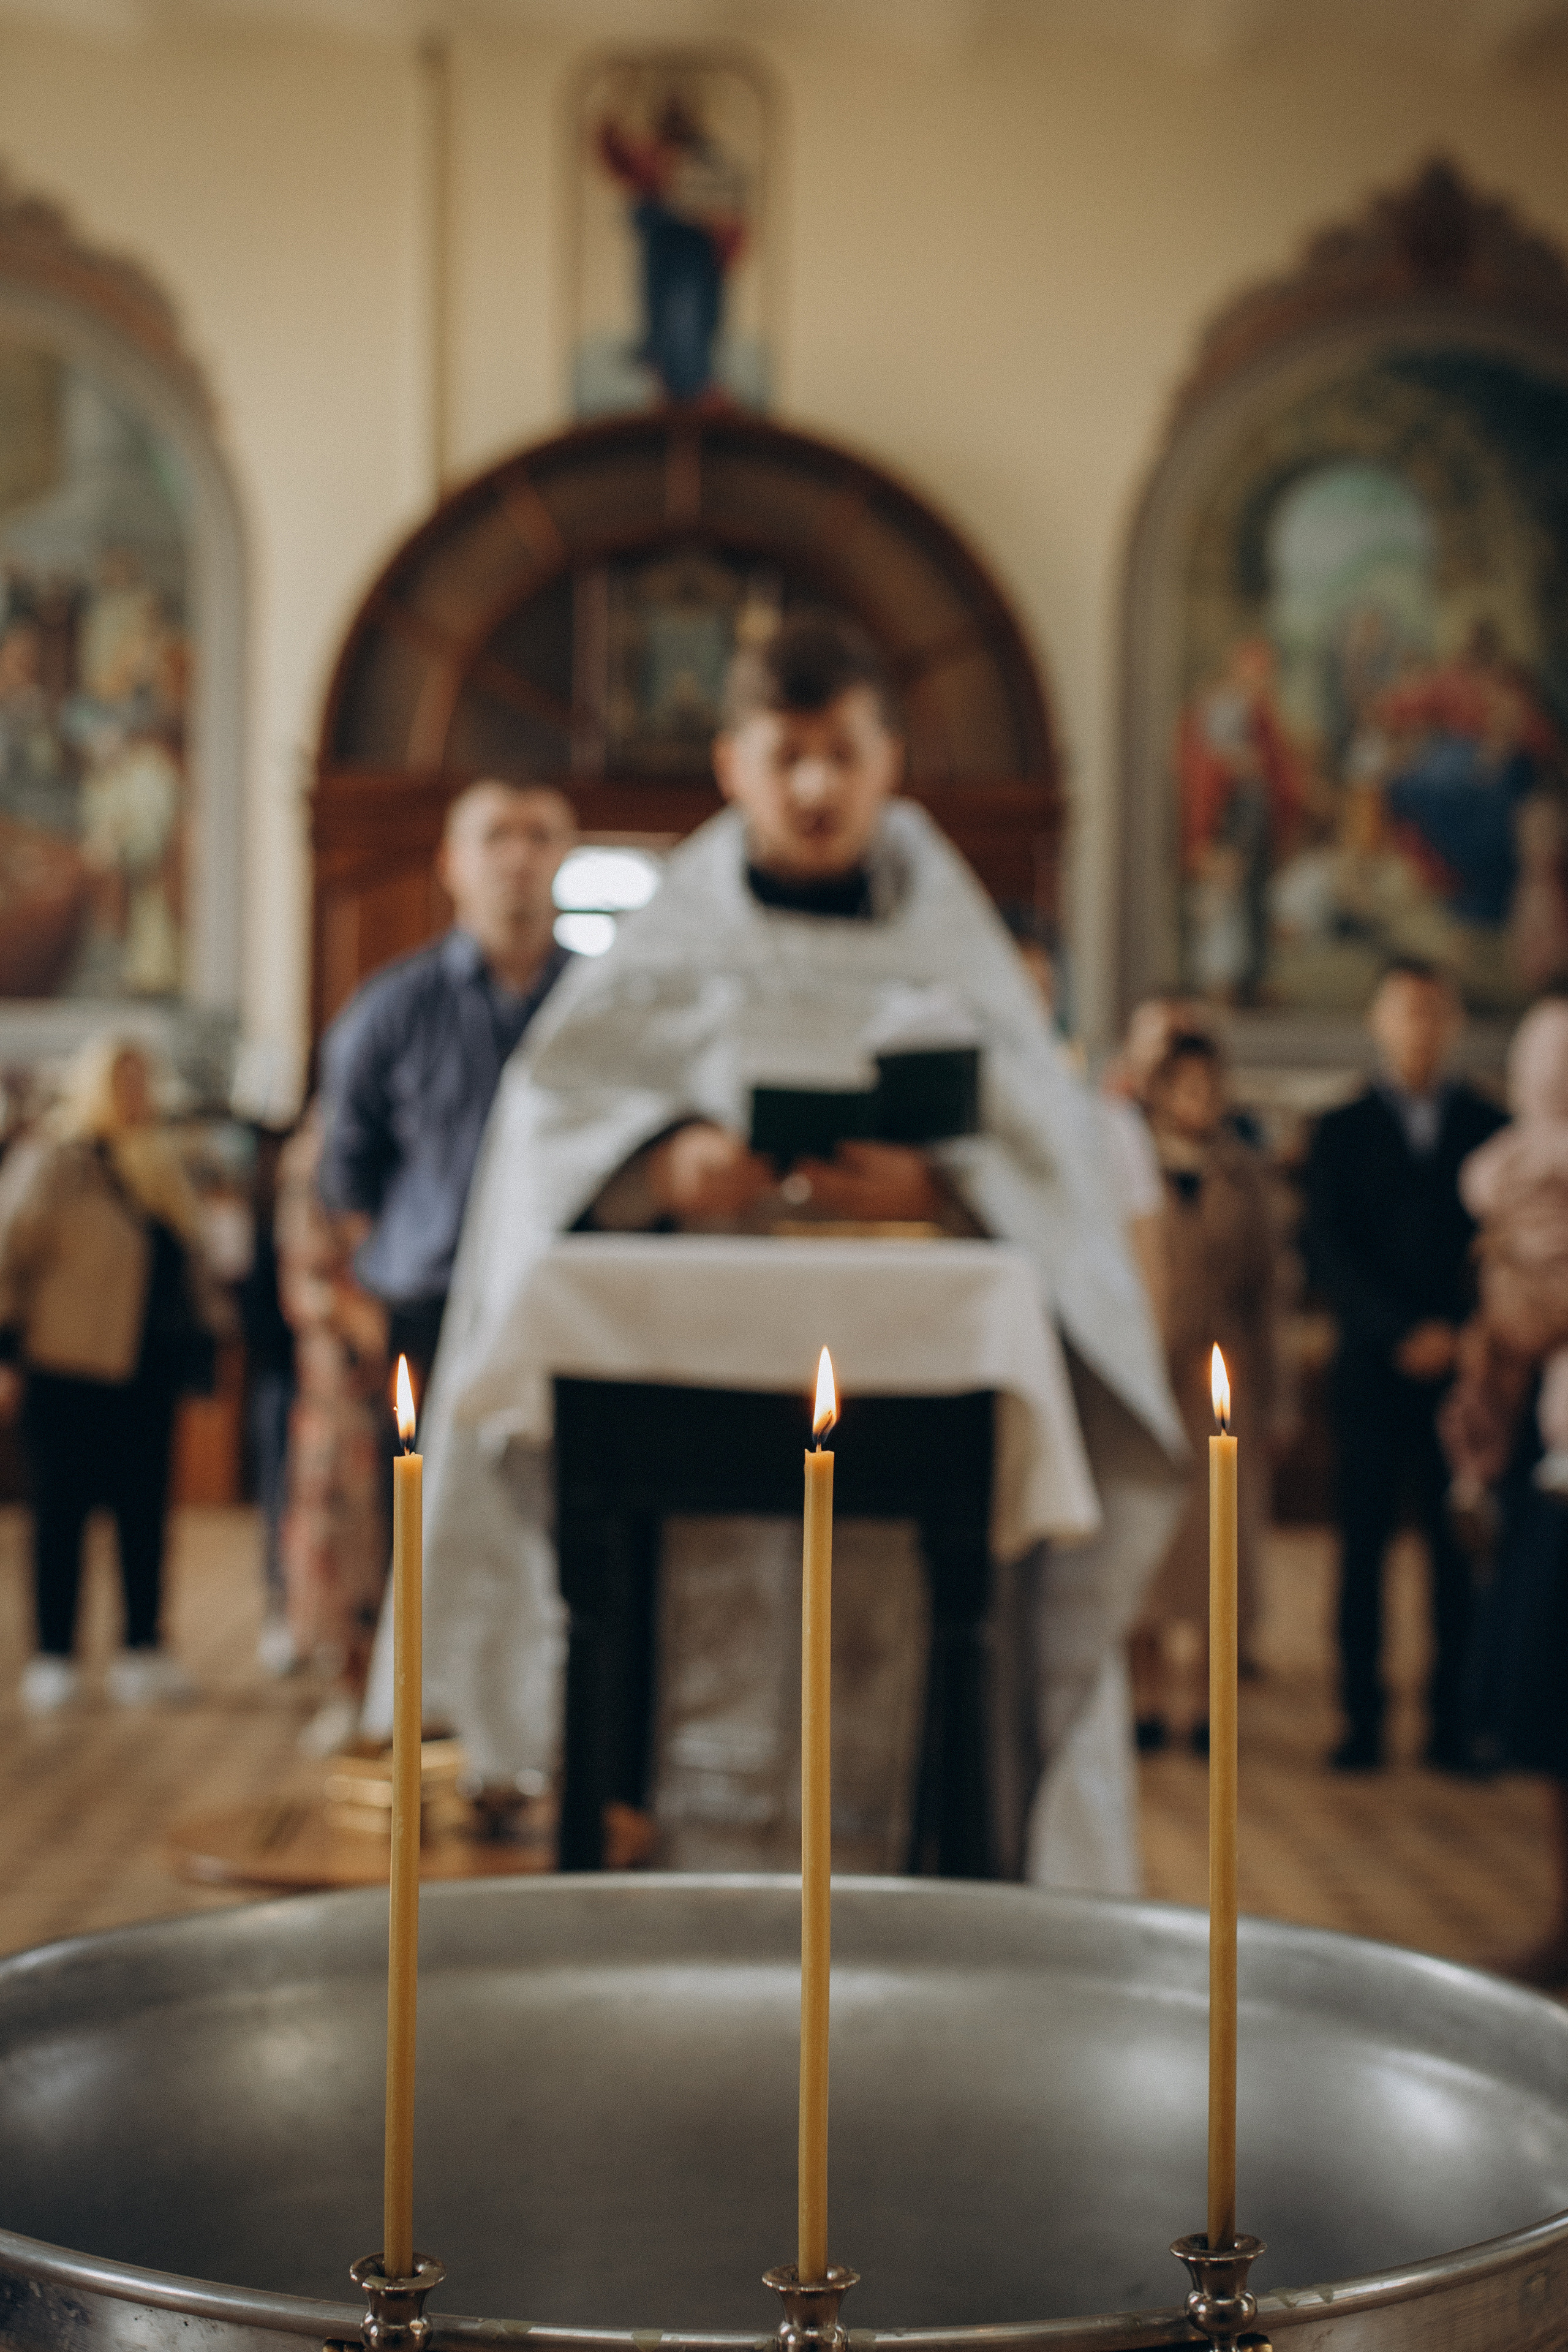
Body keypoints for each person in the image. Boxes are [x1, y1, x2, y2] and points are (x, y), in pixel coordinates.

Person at [387, 614, 1186, 1889]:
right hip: (677, 1404)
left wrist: (942, 1186)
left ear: (890, 760)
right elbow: (547, 1147)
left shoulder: (956, 946)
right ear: (730, 766)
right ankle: (650, 1907)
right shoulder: (667, 947)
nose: (814, 786)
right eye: (786, 754)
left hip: (922, 1397)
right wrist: (658, 1170)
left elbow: (1056, 1180)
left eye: (842, 754)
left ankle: (929, 1906)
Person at [1305, 959, 1506, 1771]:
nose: (1420, 1028)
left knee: (1459, 1551)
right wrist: (1396, 1331)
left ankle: (1455, 1723)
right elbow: (1327, 1249)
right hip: (1372, 1364)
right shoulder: (1342, 1128)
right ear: (1380, 1024)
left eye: (1434, 1013)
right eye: (1406, 1013)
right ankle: (1362, 1720)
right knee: (1362, 1546)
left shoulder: (1490, 1127)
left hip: (1468, 1364)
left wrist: (1462, 1334)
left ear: (1452, 1022)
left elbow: (1504, 1247)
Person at [317, 778, 576, 1398]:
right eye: (495, 837)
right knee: (419, 1492)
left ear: (566, 854)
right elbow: (345, 1169)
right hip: (426, 1305)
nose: (518, 857)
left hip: (565, 1298)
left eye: (539, 837)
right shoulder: (391, 1009)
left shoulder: (600, 1002)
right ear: (450, 862)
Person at [0, 1036, 227, 1713]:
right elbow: (8, 1256)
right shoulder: (56, 1161)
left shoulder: (163, 1164)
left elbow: (186, 1264)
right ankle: (55, 1654)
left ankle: (142, 1646)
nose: (135, 1092)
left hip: (146, 1369)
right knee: (61, 1513)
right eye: (121, 1079)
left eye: (143, 1079)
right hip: (67, 1364)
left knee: (144, 1514)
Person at [1128, 1032, 1279, 1752]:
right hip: (1149, 1373)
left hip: (1219, 1375)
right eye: (1184, 1088)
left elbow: (1265, 1289)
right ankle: (1147, 1697)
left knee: (1217, 1545)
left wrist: (1277, 1397)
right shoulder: (1129, 1163)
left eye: (1209, 1089)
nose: (1198, 1103)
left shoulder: (1242, 1174)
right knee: (1149, 1550)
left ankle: (1210, 1702)